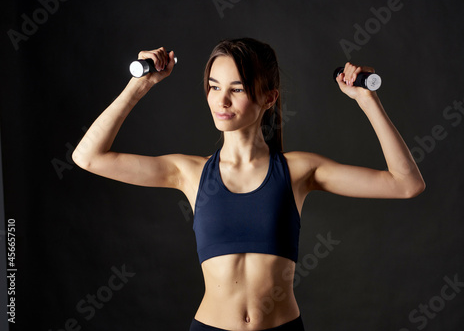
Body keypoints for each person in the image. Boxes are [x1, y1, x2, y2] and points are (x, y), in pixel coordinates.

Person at [72, 38, 425, 331]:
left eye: (236, 89)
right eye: (213, 87)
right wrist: (140, 85)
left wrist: (368, 100)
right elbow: (88, 157)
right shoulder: (188, 173)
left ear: (269, 98)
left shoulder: (298, 170)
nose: (221, 101)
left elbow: (406, 184)